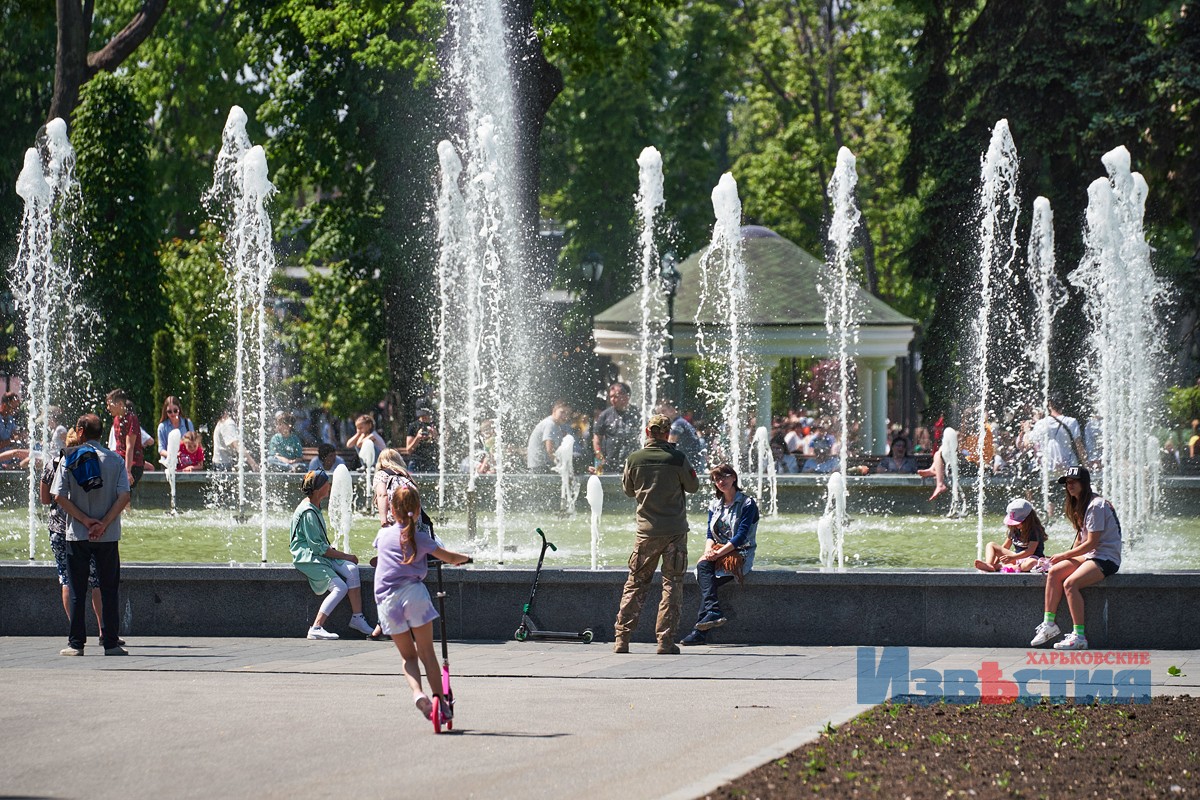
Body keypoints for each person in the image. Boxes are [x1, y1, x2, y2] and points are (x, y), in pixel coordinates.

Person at [373, 483, 471, 721]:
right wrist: (467, 558)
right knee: (427, 653)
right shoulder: (421, 538)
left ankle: (418, 694)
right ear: (417, 511)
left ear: (393, 510)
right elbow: (448, 557)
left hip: (387, 601)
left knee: (408, 657)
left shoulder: (383, 535)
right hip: (414, 595)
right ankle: (440, 701)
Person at [613, 413, 700, 655]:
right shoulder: (677, 458)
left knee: (635, 584)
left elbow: (628, 491)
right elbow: (693, 487)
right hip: (674, 531)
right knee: (672, 585)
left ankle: (622, 639)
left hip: (646, 532)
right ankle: (665, 641)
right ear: (666, 433)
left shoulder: (634, 459)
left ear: (647, 431)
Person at [51, 413, 131, 656]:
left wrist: (85, 520)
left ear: (82, 432)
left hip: (77, 534)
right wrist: (104, 523)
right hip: (108, 536)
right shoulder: (115, 460)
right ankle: (110, 643)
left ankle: (76, 644)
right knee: (108, 588)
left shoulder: (71, 458)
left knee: (77, 589)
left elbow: (58, 496)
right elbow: (124, 496)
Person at [1030, 466, 1122, 651]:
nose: (1069, 486)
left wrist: (1064, 554)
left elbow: (1092, 543)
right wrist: (1055, 559)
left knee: (1070, 584)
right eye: (1067, 483)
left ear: (1084, 483)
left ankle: (1079, 637)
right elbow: (1081, 541)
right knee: (1054, 571)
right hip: (1090, 556)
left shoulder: (1096, 505)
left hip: (1106, 558)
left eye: (1073, 482)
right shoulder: (1082, 504)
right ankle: (1049, 624)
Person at [289, 470, 377, 640]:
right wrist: (346, 556)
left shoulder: (314, 505)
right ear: (317, 489)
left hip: (318, 553)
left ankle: (357, 618)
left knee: (352, 570)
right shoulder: (308, 512)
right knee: (340, 587)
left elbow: (320, 544)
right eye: (325, 483)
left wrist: (343, 557)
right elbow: (318, 548)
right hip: (307, 557)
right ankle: (316, 627)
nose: (329, 485)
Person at [680, 464, 760, 646]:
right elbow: (710, 533)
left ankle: (700, 631)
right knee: (702, 567)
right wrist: (708, 551)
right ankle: (712, 612)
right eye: (717, 479)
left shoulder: (747, 504)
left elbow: (741, 536)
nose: (721, 482)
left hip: (739, 554)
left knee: (709, 582)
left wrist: (717, 554)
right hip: (718, 550)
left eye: (724, 477)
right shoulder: (715, 505)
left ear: (734, 478)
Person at [42, 428, 109, 644]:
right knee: (96, 579)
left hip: (59, 528)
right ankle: (103, 630)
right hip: (84, 526)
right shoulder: (89, 460)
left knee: (67, 578)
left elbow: (45, 499)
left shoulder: (52, 463)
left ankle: (76, 632)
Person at [974, 498, 1047, 572]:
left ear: (1028, 519)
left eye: (1018, 521)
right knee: (991, 545)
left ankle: (1003, 567)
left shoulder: (1034, 531)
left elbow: (1030, 551)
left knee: (1032, 563)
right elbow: (1005, 547)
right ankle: (990, 565)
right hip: (1016, 557)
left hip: (1031, 558)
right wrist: (996, 561)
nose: (1015, 525)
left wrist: (1012, 557)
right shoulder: (1014, 530)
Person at [592, 382, 638, 474]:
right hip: (610, 465)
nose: (612, 400)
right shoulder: (605, 415)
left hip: (633, 464)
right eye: (611, 397)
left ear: (626, 396)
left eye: (615, 396)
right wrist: (600, 460)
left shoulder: (637, 414)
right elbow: (596, 439)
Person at [106, 389, 145, 492]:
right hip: (120, 463)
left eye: (110, 405)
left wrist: (128, 472)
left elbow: (130, 446)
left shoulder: (132, 419)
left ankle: (126, 508)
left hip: (133, 465)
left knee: (123, 494)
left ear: (119, 404)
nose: (108, 408)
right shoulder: (116, 420)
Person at [659, 402, 707, 472]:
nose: (661, 415)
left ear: (672, 410)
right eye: (659, 412)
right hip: (695, 460)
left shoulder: (677, 424)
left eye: (663, 411)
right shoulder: (681, 421)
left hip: (689, 463)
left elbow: (669, 445)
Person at [526, 400, 572, 472]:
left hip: (539, 466)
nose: (565, 416)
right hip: (540, 468)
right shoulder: (550, 425)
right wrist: (565, 466)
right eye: (562, 412)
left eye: (568, 413)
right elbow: (550, 451)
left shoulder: (555, 425)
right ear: (554, 411)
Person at [212, 403, 258, 471]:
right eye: (244, 411)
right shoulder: (229, 424)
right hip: (223, 465)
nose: (245, 414)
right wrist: (253, 463)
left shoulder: (223, 422)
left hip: (220, 463)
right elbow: (236, 445)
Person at [404, 408, 438, 473]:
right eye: (422, 415)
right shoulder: (413, 426)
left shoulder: (435, 425)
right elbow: (408, 450)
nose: (424, 417)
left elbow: (443, 448)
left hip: (432, 462)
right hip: (415, 462)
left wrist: (435, 436)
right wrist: (417, 438)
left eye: (426, 415)